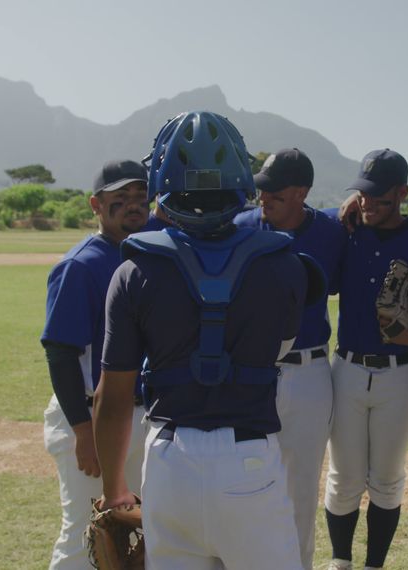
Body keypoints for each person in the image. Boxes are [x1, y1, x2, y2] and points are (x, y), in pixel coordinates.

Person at [93, 111, 322, 569]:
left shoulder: (132, 270)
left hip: (168, 463)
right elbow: (278, 347)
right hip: (249, 459)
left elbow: (112, 398)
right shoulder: (286, 264)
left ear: (160, 179)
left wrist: (114, 490)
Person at [324, 149, 408, 570]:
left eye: (378, 195)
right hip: (347, 370)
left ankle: (374, 565)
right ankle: (340, 562)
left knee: (387, 480)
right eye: (363, 193)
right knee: (343, 477)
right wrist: (342, 213)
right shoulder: (348, 230)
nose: (367, 202)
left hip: (401, 376)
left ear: (403, 193)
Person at [234, 148, 347, 570]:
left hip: (308, 373)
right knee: (242, 482)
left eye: (275, 192)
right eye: (261, 189)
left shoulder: (333, 233)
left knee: (299, 490)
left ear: (301, 193)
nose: (264, 198)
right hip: (250, 371)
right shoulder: (240, 227)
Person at [40, 159, 152, 570]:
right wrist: (83, 433)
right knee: (87, 536)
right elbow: (60, 352)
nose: (133, 207)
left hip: (141, 415)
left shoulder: (153, 252)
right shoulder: (79, 266)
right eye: (119, 200)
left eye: (140, 198)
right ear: (95, 205)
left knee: (141, 534)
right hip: (91, 414)